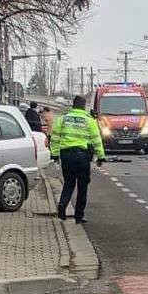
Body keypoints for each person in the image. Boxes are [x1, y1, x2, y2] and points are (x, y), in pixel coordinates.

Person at [50, 95, 105, 224]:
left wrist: (55, 155)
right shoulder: (89, 120)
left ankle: (62, 205)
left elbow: (55, 138)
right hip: (82, 157)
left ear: (73, 106)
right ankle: (79, 216)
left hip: (66, 155)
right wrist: (100, 156)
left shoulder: (62, 119)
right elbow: (96, 140)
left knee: (69, 183)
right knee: (82, 186)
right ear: (84, 106)